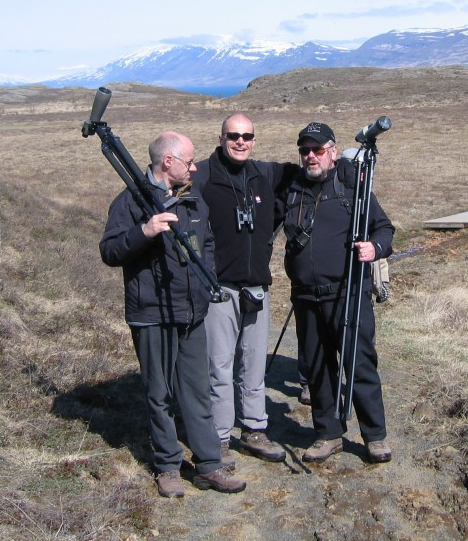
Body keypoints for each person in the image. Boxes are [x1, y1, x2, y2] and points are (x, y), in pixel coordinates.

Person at [99, 130, 246, 497]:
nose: (194, 168)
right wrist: (144, 232)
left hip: (191, 312)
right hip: (152, 314)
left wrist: (206, 280)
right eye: (189, 161)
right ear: (168, 161)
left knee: (197, 390)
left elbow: (206, 243)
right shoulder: (130, 201)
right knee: (160, 393)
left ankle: (209, 464)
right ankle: (167, 466)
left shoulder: (191, 198)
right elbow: (110, 251)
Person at [281, 121, 395, 464]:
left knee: (359, 364)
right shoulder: (292, 189)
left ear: (332, 151)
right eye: (305, 150)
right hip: (305, 296)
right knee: (318, 369)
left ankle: (375, 436)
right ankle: (328, 434)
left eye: (317, 149)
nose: (310, 156)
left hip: (348, 294)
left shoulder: (351, 186)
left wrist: (375, 248)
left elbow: (384, 228)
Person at [192, 113, 296, 466]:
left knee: (253, 364)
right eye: (233, 135)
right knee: (218, 366)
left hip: (257, 288)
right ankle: (219, 438)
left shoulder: (263, 174)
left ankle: (254, 429)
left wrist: (345, 167)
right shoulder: (202, 175)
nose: (240, 141)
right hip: (219, 290)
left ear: (254, 140)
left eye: (247, 136)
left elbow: (307, 172)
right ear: (220, 138)